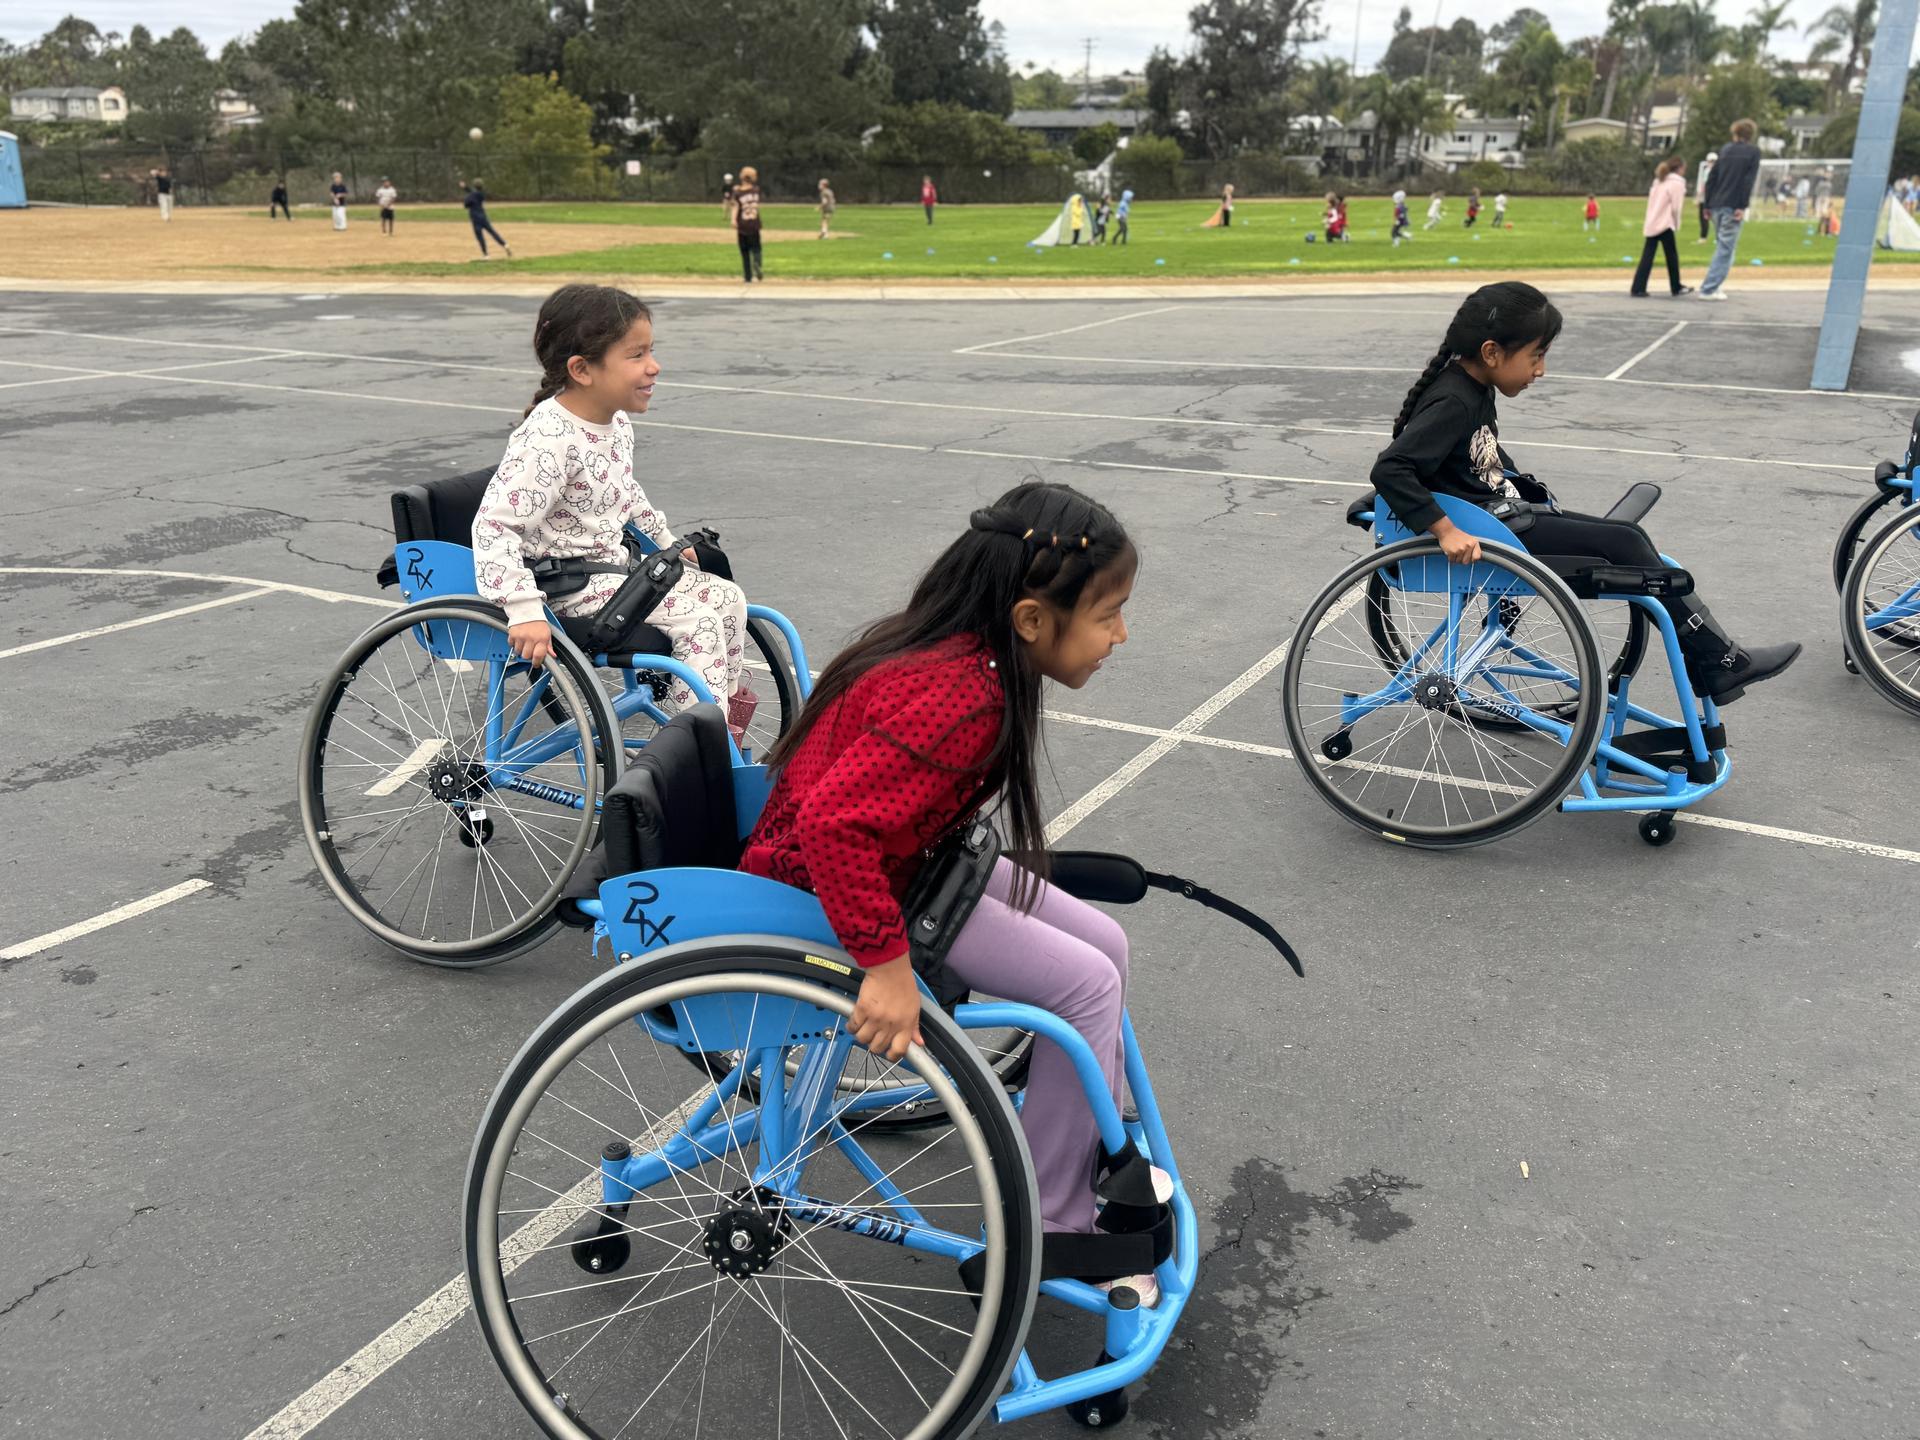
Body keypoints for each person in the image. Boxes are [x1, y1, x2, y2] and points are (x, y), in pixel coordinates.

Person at [737, 480, 1156, 1294]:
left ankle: (1083, 1128)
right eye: (1107, 615)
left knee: (1105, 944)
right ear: (1032, 619)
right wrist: (887, 970)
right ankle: (1051, 1221)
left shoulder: (970, 658)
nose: (1121, 634)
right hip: (832, 891)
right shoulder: (961, 694)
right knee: (1085, 986)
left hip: (907, 864)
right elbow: (833, 828)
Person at [1369, 281, 1799, 704]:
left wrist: (1526, 488)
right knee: (1625, 541)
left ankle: (1714, 660)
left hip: (1503, 516)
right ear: (1491, 352)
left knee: (1627, 541)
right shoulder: (1454, 400)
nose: (1541, 369)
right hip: (1488, 531)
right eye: (1536, 355)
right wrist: (1444, 531)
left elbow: (1480, 457)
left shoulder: (1473, 389)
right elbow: (1391, 468)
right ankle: (1719, 662)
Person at [474, 284, 758, 738]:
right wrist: (523, 608)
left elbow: (626, 496)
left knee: (728, 597)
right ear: (582, 369)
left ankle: (719, 732)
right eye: (636, 355)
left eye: (652, 351)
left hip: (611, 574)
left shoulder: (615, 423)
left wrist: (668, 545)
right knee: (699, 620)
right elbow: (493, 526)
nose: (654, 366)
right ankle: (693, 749)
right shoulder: (548, 439)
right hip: (565, 586)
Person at [1698, 118, 1761, 301]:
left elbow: (1712, 178)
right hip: (1732, 205)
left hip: (1717, 204)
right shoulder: (1753, 152)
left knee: (1725, 247)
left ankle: (1715, 285)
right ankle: (1708, 288)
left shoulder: (1725, 150)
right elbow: (1748, 180)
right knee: (1725, 248)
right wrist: (1742, 205)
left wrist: (1707, 204)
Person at [1630, 158, 1693, 299]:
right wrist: (1677, 223)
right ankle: (1676, 286)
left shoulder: (1658, 181)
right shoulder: (1677, 184)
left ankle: (1638, 287)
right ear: (1680, 169)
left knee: (1648, 255)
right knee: (1671, 256)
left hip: (1653, 222)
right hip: (1665, 223)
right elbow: (1676, 207)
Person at [727, 166, 764, 282]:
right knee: (757, 248)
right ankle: (757, 263)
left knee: (744, 251)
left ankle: (748, 276)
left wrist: (733, 220)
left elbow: (735, 207)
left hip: (742, 224)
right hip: (754, 223)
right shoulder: (756, 190)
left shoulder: (737, 193)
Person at [463, 178, 512, 257]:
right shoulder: (481, 194)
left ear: (474, 186)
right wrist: (465, 187)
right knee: (492, 232)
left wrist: (466, 194)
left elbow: (466, 204)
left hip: (475, 218)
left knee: (480, 236)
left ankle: (486, 254)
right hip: (483, 216)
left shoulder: (471, 195)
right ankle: (505, 244)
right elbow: (473, 193)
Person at [1813, 168, 1835, 233]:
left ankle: (1820, 219)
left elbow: (1817, 190)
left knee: (1818, 208)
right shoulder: (1829, 184)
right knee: (1824, 209)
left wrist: (1816, 195)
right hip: (1826, 197)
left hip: (1820, 196)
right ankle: (1824, 219)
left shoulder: (1821, 183)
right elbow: (1831, 191)